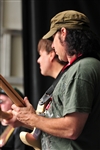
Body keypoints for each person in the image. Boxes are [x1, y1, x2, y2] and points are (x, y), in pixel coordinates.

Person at [3, 10, 100, 150]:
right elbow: (57, 126)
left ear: (63, 32)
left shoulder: (82, 69)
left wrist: (33, 118)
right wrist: (24, 120)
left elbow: (71, 129)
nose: (53, 45)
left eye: (54, 37)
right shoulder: (77, 68)